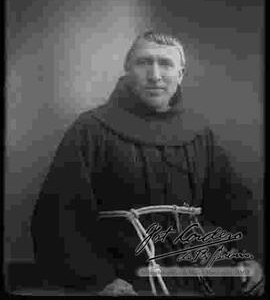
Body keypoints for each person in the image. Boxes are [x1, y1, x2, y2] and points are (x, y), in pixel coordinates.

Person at [31, 31, 264, 296]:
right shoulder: (90, 129)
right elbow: (60, 218)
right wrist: (99, 280)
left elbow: (236, 206)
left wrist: (250, 257)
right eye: (144, 63)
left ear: (181, 74)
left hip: (200, 268)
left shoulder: (199, 134)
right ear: (128, 70)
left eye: (165, 64)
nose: (155, 75)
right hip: (123, 273)